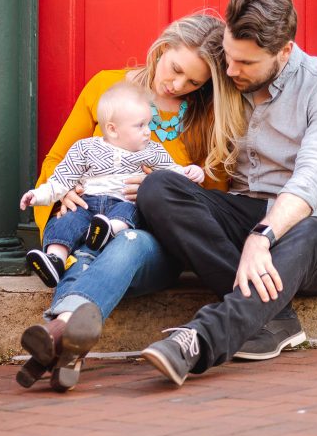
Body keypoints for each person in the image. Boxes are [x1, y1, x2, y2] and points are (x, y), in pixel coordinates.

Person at [137, 0, 317, 386]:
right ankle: (274, 317)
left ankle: (199, 340)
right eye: (228, 56)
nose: (229, 72)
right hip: (245, 212)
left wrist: (263, 236)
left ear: (285, 51)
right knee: (159, 188)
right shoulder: (225, 79)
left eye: (245, 63)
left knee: (308, 230)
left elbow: (315, 176)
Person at [17, 12, 243, 392]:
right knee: (88, 251)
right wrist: (65, 189)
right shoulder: (106, 88)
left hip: (153, 246)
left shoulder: (204, 118)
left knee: (127, 240)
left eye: (193, 82)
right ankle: (67, 344)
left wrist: (163, 189)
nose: (177, 85)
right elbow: (59, 160)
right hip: (86, 224)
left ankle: (56, 329)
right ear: (163, 46)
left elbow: (212, 201)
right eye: (175, 69)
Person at [21, 81, 204, 286]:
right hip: (86, 203)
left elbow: (173, 173)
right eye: (140, 125)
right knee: (66, 220)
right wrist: (38, 196)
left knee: (132, 211)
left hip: (123, 201)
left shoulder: (152, 150)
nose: (147, 131)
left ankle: (110, 230)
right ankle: (55, 260)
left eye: (149, 124)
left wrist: (191, 172)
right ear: (113, 129)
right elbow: (62, 179)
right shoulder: (86, 149)